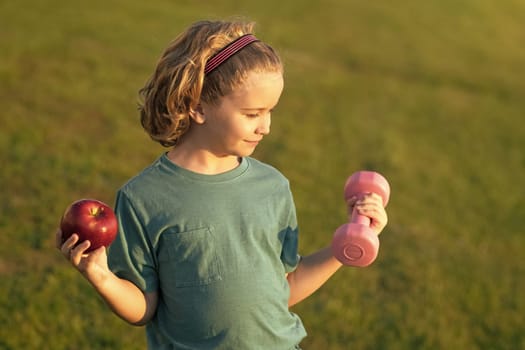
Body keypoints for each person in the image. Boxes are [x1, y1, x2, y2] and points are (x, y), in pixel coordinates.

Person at [56, 19, 388, 350]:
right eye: (252, 113)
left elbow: (284, 287)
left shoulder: (272, 187)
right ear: (198, 106)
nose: (266, 127)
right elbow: (145, 307)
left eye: (270, 111)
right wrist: (99, 275)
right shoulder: (143, 198)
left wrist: (349, 245)